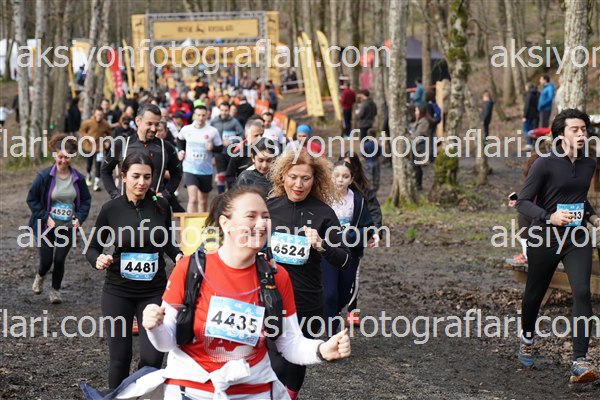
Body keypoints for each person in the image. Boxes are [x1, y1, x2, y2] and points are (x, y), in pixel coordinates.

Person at [138, 187, 350, 399]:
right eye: (251, 216)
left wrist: (322, 350)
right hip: (191, 389)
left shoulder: (276, 277)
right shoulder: (190, 269)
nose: (261, 224)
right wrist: (154, 327)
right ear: (225, 223)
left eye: (265, 217)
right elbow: (166, 342)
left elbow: (289, 343)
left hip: (253, 391)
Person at [86, 153, 183, 389]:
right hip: (118, 292)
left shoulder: (162, 205)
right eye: (136, 176)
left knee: (152, 360)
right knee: (120, 358)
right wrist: (98, 259)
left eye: (147, 177)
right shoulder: (111, 209)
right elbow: (92, 248)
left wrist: (179, 256)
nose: (141, 182)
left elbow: (166, 242)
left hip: (154, 292)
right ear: (123, 176)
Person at [516, 109, 598, 383]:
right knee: (534, 295)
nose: (581, 134)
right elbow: (523, 202)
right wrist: (549, 216)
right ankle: (527, 338)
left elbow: (579, 198)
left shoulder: (588, 163)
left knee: (583, 292)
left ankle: (579, 360)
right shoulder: (545, 164)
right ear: (561, 135)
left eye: (583, 129)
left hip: (576, 237)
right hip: (545, 237)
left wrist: (594, 218)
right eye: (575, 129)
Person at [266, 149, 351, 399]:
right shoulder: (269, 208)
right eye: (293, 177)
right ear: (282, 177)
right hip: (270, 297)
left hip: (306, 299)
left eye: (305, 178)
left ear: (315, 180)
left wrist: (322, 245)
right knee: (273, 359)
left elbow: (345, 259)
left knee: (295, 362)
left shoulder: (324, 213)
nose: (299, 184)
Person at [27, 134, 91, 304]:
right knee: (46, 261)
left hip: (67, 227)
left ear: (72, 156)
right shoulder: (44, 176)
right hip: (45, 227)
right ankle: (40, 275)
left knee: (60, 260)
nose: (63, 160)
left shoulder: (78, 178)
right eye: (60, 156)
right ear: (54, 155)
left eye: (67, 157)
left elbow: (86, 200)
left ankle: (55, 291)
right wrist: (45, 216)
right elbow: (31, 199)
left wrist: (80, 218)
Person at [321, 161, 375, 335]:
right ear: (330, 177)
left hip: (349, 253)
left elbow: (367, 225)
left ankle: (332, 312)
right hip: (327, 252)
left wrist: (364, 235)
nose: (340, 180)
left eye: (345, 177)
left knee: (344, 293)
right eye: (336, 176)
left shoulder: (357, 200)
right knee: (330, 293)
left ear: (351, 179)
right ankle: (331, 333)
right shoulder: (323, 198)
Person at [101, 104, 183, 206]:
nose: (154, 129)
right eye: (149, 123)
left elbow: (177, 173)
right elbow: (105, 171)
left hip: (155, 206)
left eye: (157, 124)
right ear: (138, 121)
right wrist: (115, 195)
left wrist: (166, 194)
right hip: (126, 207)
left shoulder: (166, 147)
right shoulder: (121, 144)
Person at [339, 151, 382, 325]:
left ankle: (352, 310)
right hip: (331, 242)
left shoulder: (364, 190)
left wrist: (375, 231)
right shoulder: (329, 189)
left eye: (349, 166)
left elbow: (374, 212)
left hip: (354, 240)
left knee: (353, 275)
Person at [177, 106, 223, 213]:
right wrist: (181, 150)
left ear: (207, 116)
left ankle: (202, 222)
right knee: (192, 199)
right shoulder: (186, 129)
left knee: (202, 201)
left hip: (206, 170)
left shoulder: (212, 131)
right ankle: (189, 223)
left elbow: (220, 148)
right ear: (194, 115)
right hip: (190, 168)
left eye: (203, 115)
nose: (201, 118)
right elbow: (180, 139)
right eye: (198, 115)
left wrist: (212, 148)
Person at [211, 102, 244, 193]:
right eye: (222, 110)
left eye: (226, 110)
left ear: (229, 111)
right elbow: (210, 135)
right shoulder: (214, 121)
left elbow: (242, 135)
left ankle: (230, 195)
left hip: (231, 153)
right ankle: (220, 196)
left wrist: (231, 142)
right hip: (218, 152)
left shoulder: (234, 122)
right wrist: (212, 154)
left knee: (230, 176)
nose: (224, 112)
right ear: (219, 110)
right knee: (221, 175)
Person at [226, 118, 265, 187]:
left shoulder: (268, 151)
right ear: (247, 135)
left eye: (261, 134)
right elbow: (230, 176)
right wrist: (238, 189)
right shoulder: (239, 153)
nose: (260, 138)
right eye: (256, 135)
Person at [79, 107, 112, 191]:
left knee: (98, 165)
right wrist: (88, 137)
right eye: (97, 115)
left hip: (100, 148)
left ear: (103, 115)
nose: (99, 117)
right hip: (89, 147)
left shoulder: (105, 124)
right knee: (89, 165)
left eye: (101, 115)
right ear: (94, 114)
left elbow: (109, 133)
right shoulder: (88, 122)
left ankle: (96, 184)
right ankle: (89, 174)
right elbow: (81, 131)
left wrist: (107, 141)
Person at [409, 105, 432, 191]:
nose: (416, 112)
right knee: (414, 165)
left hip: (420, 145)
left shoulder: (424, 122)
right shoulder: (417, 121)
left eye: (417, 110)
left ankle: (418, 184)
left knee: (417, 165)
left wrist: (409, 136)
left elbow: (419, 133)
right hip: (415, 144)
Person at [361, 129, 381, 193]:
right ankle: (375, 189)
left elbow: (362, 154)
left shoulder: (366, 144)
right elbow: (379, 153)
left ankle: (369, 189)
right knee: (376, 176)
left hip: (368, 162)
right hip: (376, 161)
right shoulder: (377, 144)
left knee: (368, 176)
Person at [522, 83, 539, 150]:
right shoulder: (536, 93)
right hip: (535, 114)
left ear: (528, 87)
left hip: (529, 115)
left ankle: (529, 144)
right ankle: (534, 144)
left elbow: (527, 106)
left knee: (525, 129)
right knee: (533, 130)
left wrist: (525, 116)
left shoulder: (529, 95)